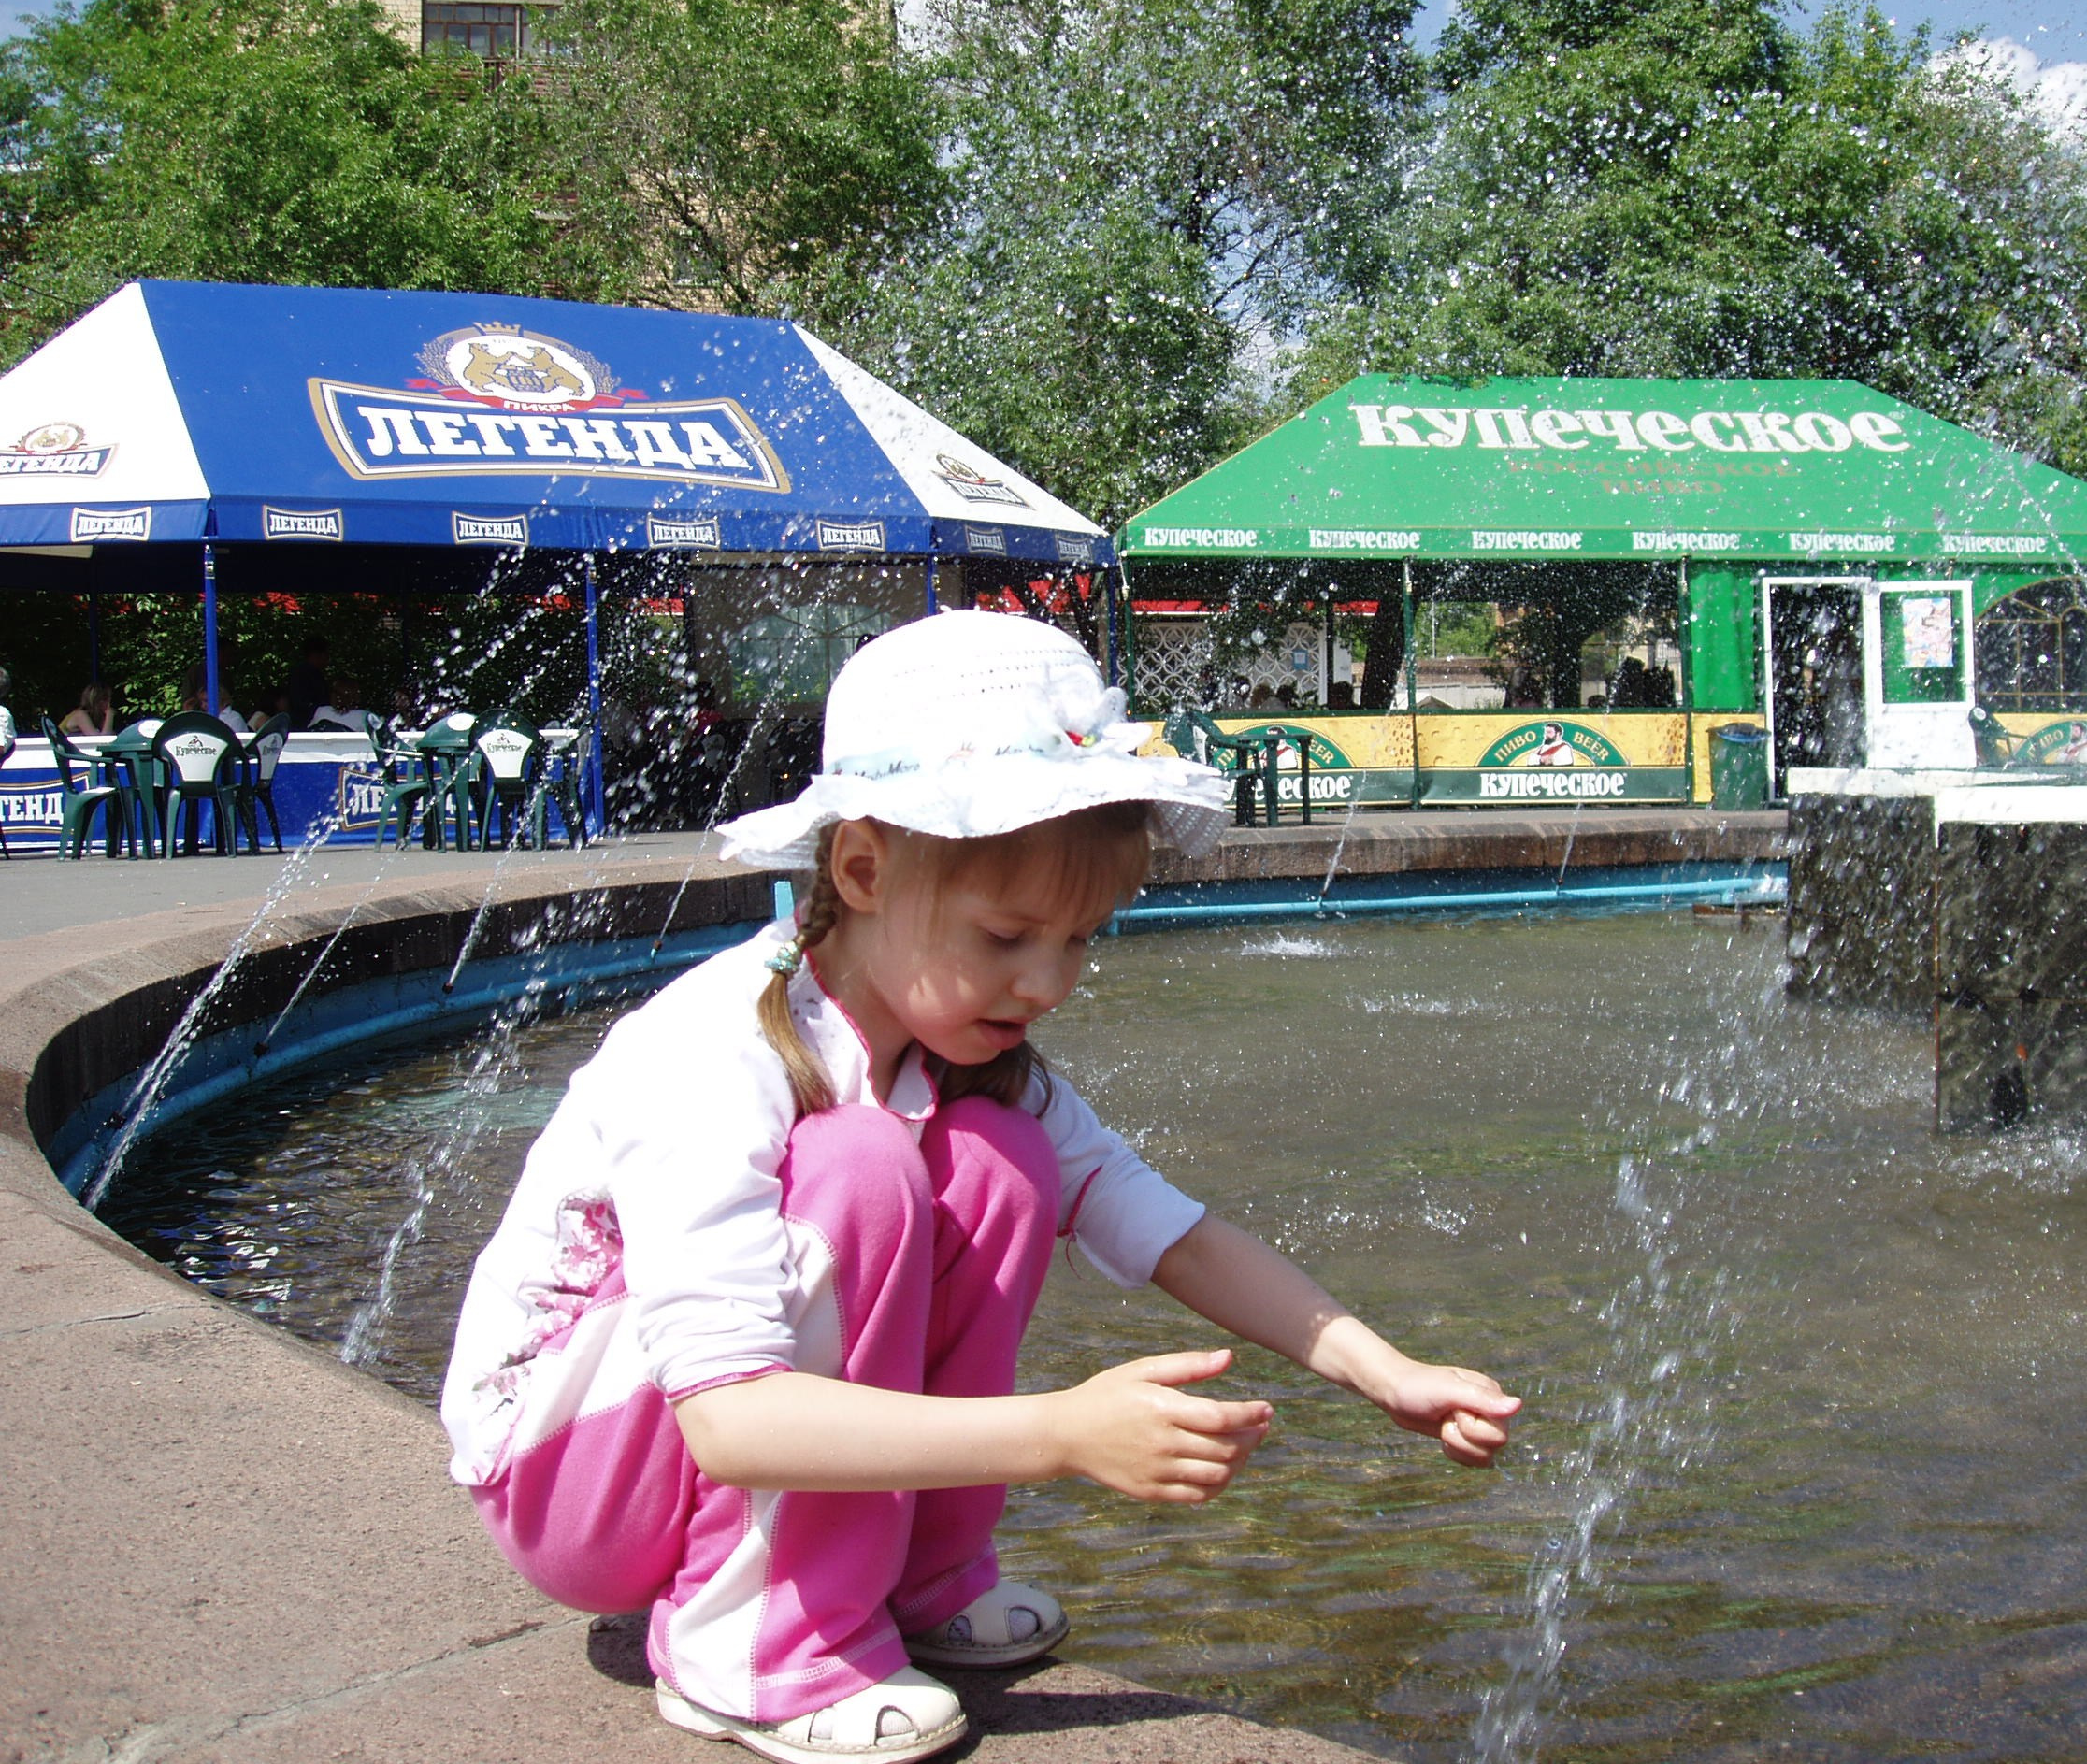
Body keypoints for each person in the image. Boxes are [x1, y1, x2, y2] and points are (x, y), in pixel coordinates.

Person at [440, 610, 1518, 1764]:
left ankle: (912, 1581)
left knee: (1005, 1161)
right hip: (574, 1476)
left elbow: (1175, 1235)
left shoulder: (968, 1055)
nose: (1049, 981)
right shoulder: (715, 1053)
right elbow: (729, 1417)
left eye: (1080, 940)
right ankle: (744, 1646)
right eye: (1009, 935)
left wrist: (1383, 1369)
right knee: (859, 1168)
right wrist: (1059, 1432)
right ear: (861, 869)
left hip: (669, 1446)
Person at [282, 636, 334, 732]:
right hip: (304, 725)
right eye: (326, 654)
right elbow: (299, 702)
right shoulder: (302, 674)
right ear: (317, 654)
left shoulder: (314, 674)